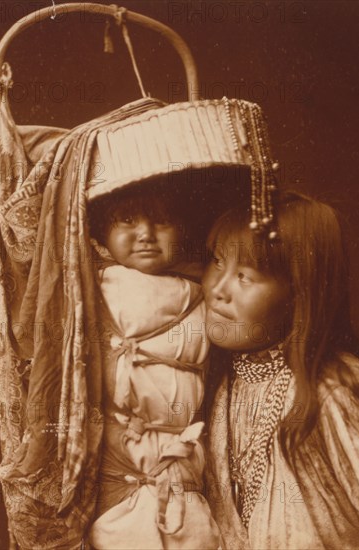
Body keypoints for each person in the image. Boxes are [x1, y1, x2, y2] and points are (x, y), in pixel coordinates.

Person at [202, 191, 359, 550]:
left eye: (245, 276)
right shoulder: (220, 381)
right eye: (215, 262)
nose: (217, 289)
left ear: (298, 293)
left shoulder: (338, 392)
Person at [87, 186, 221, 549]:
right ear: (101, 231)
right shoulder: (95, 288)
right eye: (128, 220)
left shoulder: (207, 290)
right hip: (123, 453)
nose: (146, 233)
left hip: (184, 451)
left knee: (192, 528)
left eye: (162, 220)